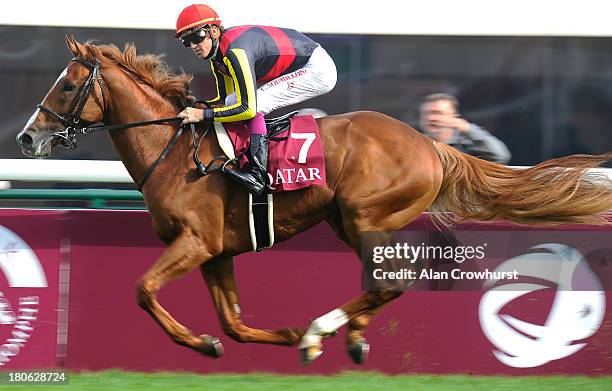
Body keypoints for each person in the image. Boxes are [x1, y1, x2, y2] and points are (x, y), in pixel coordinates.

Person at [175, 4, 337, 196]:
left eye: (196, 37)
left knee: (256, 104)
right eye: (187, 41)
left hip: (317, 68)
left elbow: (247, 108)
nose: (193, 45)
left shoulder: (234, 52)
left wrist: (202, 115)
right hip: (299, 64)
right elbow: (223, 101)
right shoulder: (216, 60)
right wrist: (198, 108)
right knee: (231, 102)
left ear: (214, 31)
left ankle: (257, 174)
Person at [419, 93, 511, 164]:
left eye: (437, 113)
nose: (431, 118)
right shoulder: (416, 145)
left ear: (453, 116)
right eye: (426, 113)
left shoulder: (468, 144)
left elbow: (500, 156)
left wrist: (468, 129)